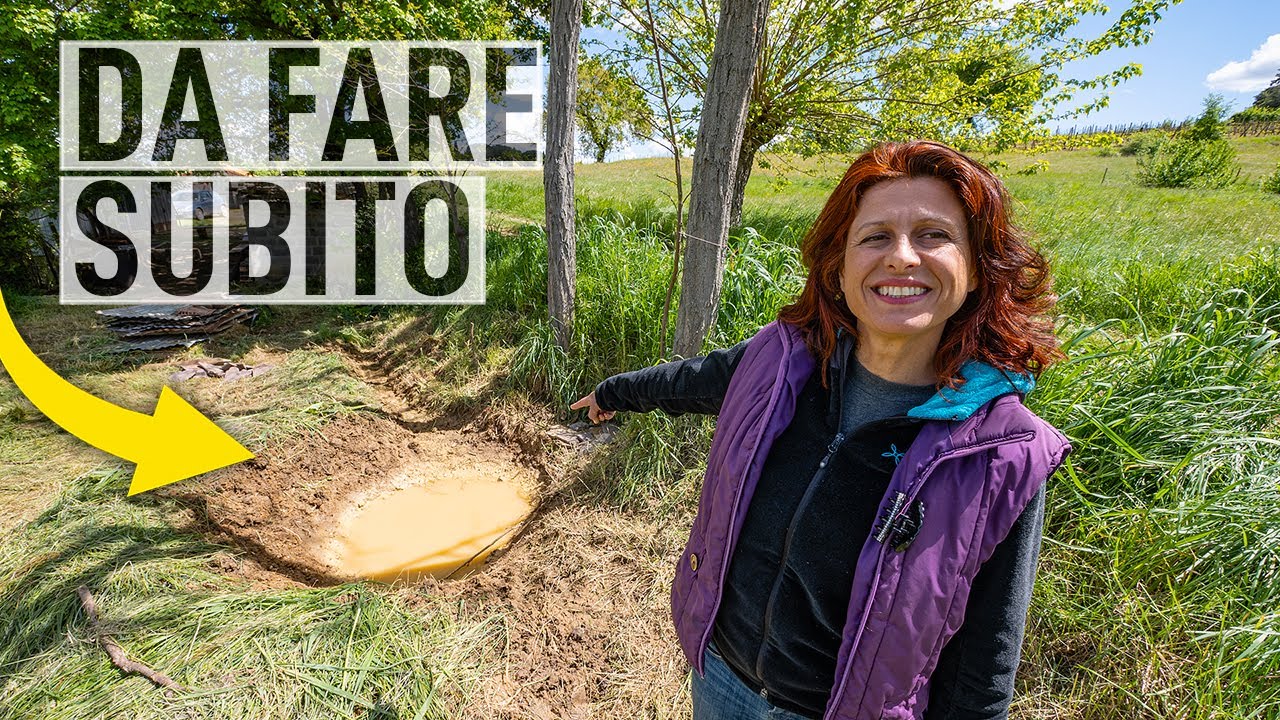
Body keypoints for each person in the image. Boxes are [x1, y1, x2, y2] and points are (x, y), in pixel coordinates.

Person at [571, 140, 1071, 720]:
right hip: (721, 676)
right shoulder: (783, 362)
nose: (902, 257)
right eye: (875, 236)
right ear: (838, 265)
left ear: (979, 270)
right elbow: (694, 381)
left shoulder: (1001, 454)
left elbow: (983, 669)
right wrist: (614, 392)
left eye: (934, 235)